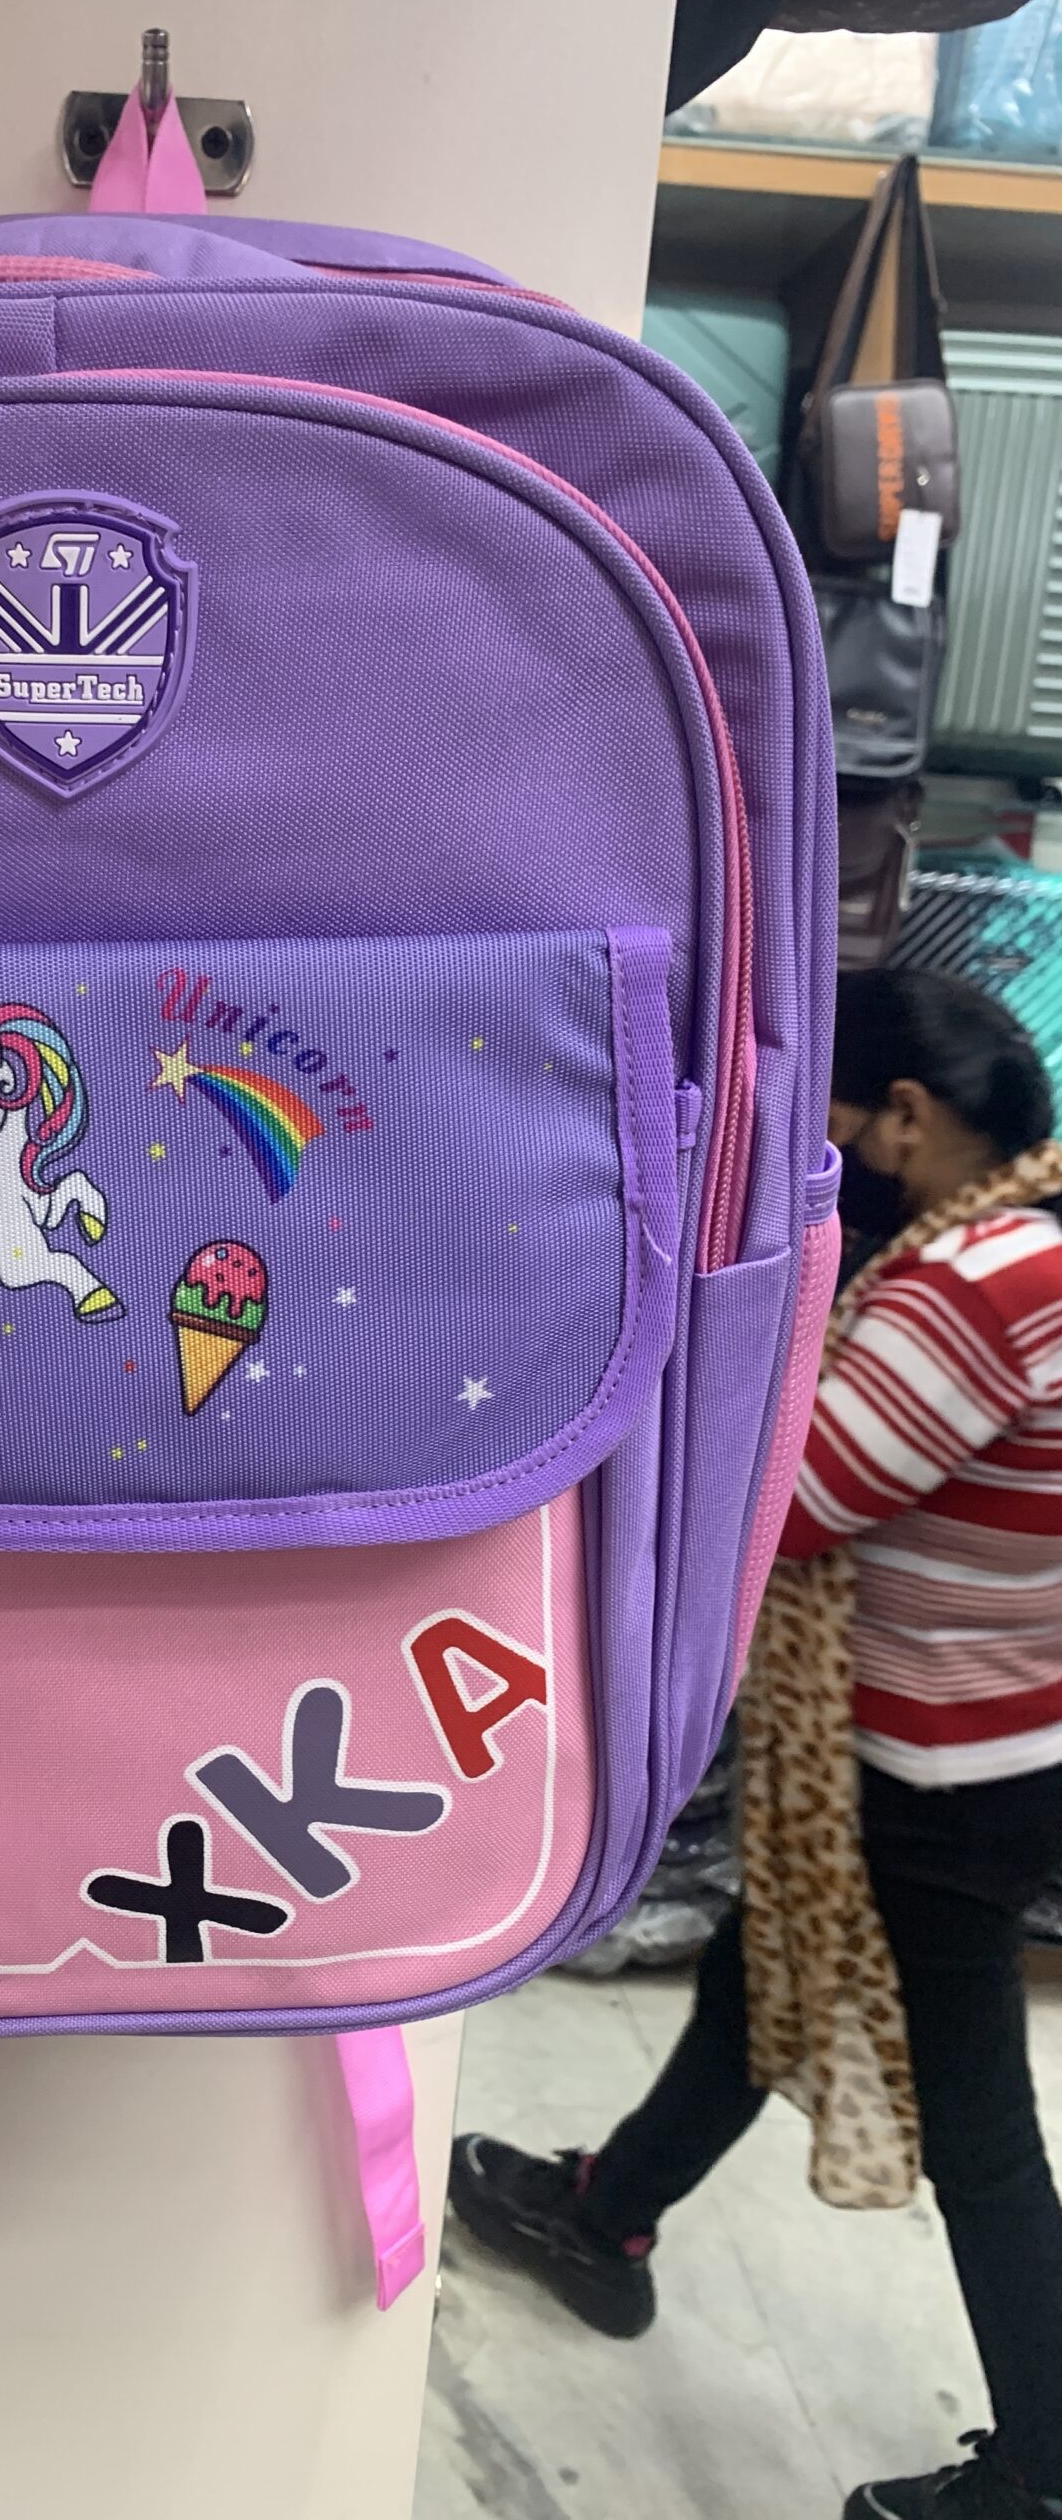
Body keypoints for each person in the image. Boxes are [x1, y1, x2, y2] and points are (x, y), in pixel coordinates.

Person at [448, 969, 1062, 2520]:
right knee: (756, 1983)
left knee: (978, 2125)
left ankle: (1047, 2466)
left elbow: (797, 1503)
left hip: (935, 1770)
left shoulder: (972, 1285)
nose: (826, 1157)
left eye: (836, 1128)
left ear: (906, 1118)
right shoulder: (1037, 1235)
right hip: (990, 1731)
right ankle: (609, 2212)